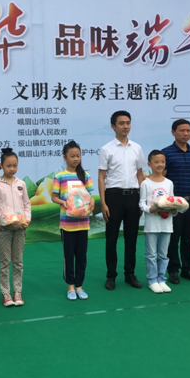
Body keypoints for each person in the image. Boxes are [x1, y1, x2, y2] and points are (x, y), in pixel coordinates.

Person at [98, 111, 145, 290]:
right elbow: (101, 177)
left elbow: (139, 174)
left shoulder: (137, 148)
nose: (125, 126)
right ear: (113, 126)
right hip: (113, 197)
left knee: (131, 238)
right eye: (121, 123)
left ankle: (130, 274)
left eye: (128, 123)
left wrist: (142, 199)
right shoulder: (106, 149)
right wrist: (103, 203)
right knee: (111, 239)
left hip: (133, 196)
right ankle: (111, 275)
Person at [162, 119, 190, 284]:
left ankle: (187, 269)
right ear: (173, 132)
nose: (186, 134)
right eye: (181, 130)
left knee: (189, 237)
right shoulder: (166, 153)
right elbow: (161, 178)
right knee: (173, 238)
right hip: (174, 203)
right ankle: (173, 270)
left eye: (188, 130)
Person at [52, 141, 95, 300]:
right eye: (72, 156)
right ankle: (70, 286)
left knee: (82, 256)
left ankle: (79, 286)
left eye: (78, 156)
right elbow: (54, 197)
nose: (76, 159)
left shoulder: (86, 176)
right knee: (69, 256)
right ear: (65, 157)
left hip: (83, 224)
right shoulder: (60, 177)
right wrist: (63, 203)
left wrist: (92, 202)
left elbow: (90, 196)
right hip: (67, 225)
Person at [0, 148, 31, 307]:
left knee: (18, 262)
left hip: (20, 228)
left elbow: (27, 204)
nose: (12, 168)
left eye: (15, 165)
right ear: (1, 166)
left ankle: (17, 292)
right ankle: (6, 293)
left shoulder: (21, 184)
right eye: (8, 166)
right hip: (4, 229)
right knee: (5, 262)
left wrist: (27, 220)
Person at [139, 150, 174, 294]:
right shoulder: (145, 184)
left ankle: (161, 279)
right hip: (152, 225)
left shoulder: (169, 183)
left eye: (162, 162)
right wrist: (151, 209)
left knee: (163, 254)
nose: (160, 164)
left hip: (167, 224)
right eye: (156, 162)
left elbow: (172, 201)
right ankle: (152, 280)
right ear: (149, 164)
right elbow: (141, 203)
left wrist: (174, 209)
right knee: (151, 255)